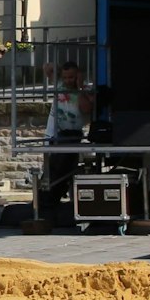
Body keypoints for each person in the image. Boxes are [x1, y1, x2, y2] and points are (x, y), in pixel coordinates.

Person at [39, 61, 95, 223]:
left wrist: (79, 86)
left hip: (74, 133)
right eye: (66, 77)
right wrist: (59, 69)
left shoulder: (84, 91)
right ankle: (48, 201)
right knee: (53, 168)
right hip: (58, 133)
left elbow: (86, 109)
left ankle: (63, 199)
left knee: (67, 168)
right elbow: (47, 67)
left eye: (71, 77)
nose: (68, 80)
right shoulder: (59, 85)